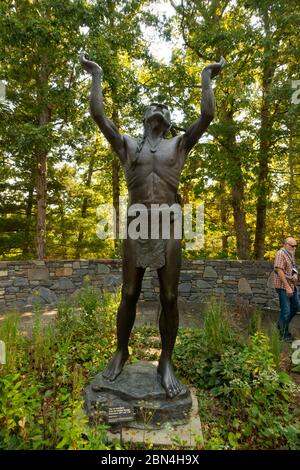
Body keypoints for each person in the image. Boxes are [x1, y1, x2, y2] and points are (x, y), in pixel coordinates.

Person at [80, 52, 225, 397]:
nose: (158, 105)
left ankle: (166, 360)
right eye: (152, 104)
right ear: (145, 117)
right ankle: (121, 350)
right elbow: (98, 115)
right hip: (136, 224)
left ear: (169, 120)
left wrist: (207, 75)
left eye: (164, 105)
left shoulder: (180, 144)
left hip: (170, 223)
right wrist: (96, 75)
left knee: (170, 295)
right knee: (128, 292)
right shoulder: (128, 145)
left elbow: (207, 115)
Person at [274, 237, 299, 342]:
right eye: (292, 246)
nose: (294, 248)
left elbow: (293, 267)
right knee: (286, 311)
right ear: (285, 244)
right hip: (283, 286)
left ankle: (281, 324)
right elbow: (278, 270)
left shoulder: (290, 254)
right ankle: (284, 335)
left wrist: (295, 274)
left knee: (296, 306)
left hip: (291, 285)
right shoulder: (281, 253)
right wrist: (287, 287)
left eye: (295, 246)